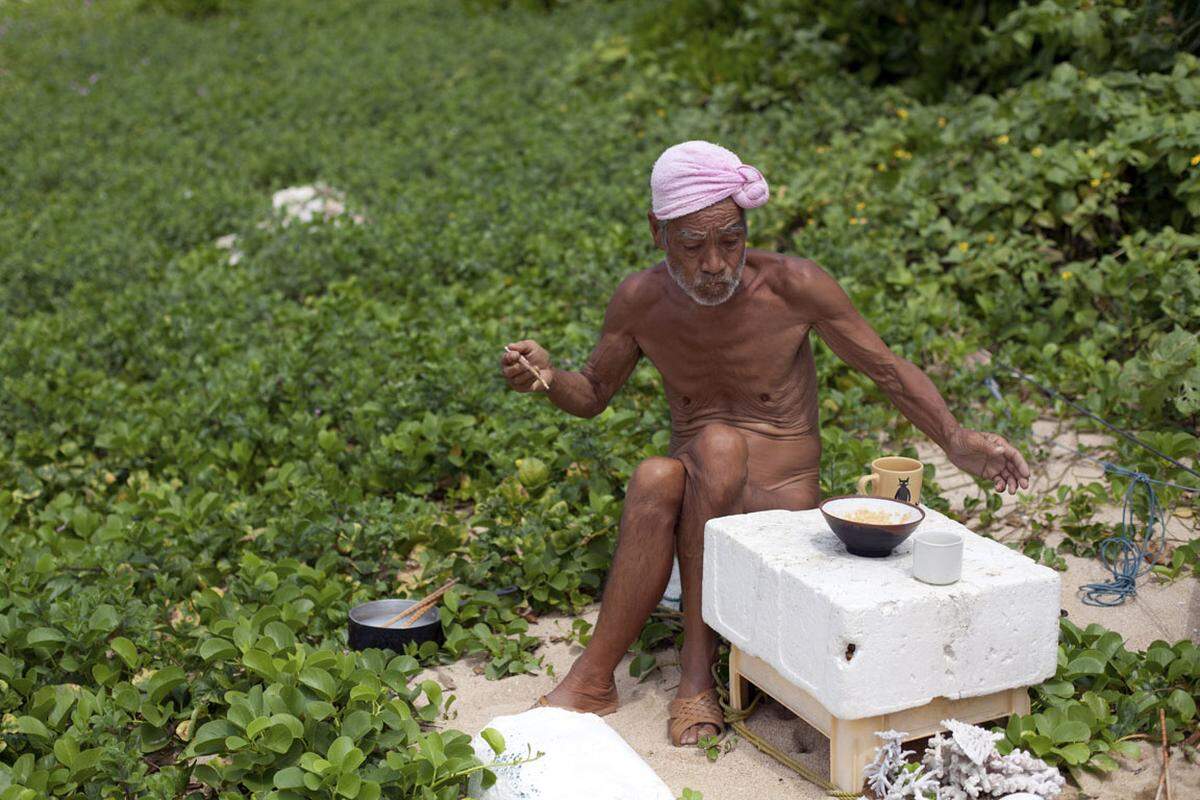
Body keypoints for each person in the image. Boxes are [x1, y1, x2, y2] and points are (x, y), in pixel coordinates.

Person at [498, 140, 1030, 747]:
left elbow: (885, 370)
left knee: (710, 448)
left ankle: (694, 676)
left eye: (730, 239)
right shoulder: (641, 301)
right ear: (657, 232)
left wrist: (957, 440)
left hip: (781, 509)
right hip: (699, 497)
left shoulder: (793, 286)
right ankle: (595, 679)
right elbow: (591, 392)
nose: (716, 264)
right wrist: (545, 378)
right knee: (662, 473)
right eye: (693, 246)